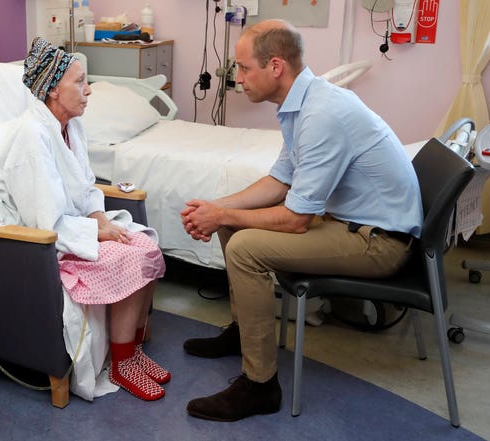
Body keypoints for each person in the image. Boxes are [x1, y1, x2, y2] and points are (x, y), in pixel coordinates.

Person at [180, 20, 423, 421]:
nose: (237, 78)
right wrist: (215, 208)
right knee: (231, 224)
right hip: (355, 224)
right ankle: (245, 334)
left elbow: (296, 219)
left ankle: (259, 387)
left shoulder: (323, 113)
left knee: (243, 249)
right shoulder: (302, 104)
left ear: (275, 66)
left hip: (380, 243)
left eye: (243, 68)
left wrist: (224, 213)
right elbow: (280, 180)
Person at [0, 37, 169, 401]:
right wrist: (96, 231)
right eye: (79, 82)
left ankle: (133, 353)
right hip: (47, 238)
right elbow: (43, 220)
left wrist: (98, 217)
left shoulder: (72, 126)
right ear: (53, 91)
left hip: (77, 223)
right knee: (129, 258)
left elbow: (88, 184)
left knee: (147, 247)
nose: (89, 90)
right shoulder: (31, 137)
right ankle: (122, 365)